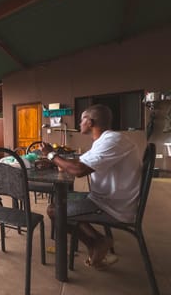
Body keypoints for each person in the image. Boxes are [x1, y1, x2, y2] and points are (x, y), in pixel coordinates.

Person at [40, 104, 142, 269]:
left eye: (81, 120)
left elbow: (78, 170)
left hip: (113, 207)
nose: (79, 123)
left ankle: (97, 242)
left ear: (90, 121)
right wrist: (54, 160)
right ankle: (96, 243)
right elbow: (79, 162)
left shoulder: (112, 141)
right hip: (106, 199)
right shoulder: (106, 140)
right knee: (64, 201)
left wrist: (52, 155)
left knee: (54, 209)